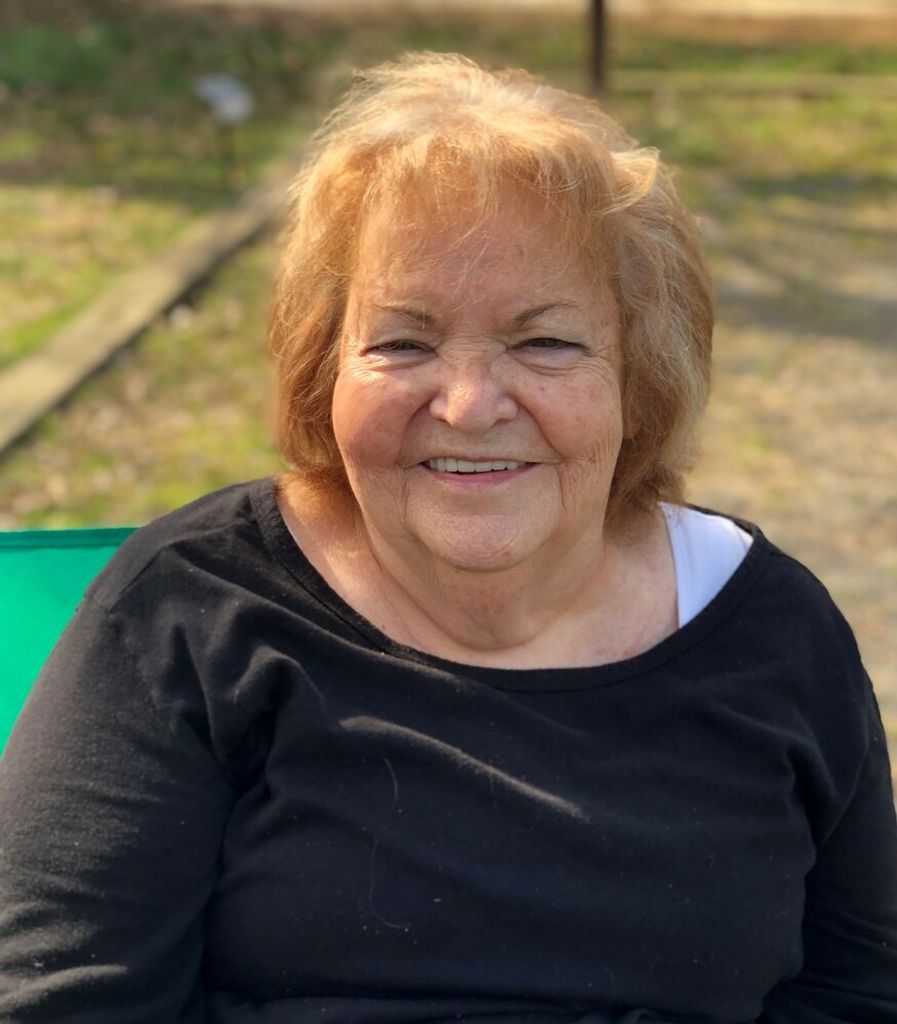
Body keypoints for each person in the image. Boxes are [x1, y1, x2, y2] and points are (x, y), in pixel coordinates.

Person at [0, 52, 895, 1024]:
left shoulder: (772, 627)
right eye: (403, 341)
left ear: (639, 378)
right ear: (323, 372)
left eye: (544, 341)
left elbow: (859, 990)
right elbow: (62, 1002)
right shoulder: (187, 611)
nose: (468, 406)